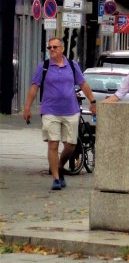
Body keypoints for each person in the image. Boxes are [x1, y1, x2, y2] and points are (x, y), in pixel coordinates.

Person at [22, 38, 97, 190]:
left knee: (71, 145)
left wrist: (93, 102)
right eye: (49, 47)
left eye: (55, 47)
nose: (51, 49)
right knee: (53, 144)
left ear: (62, 49)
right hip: (50, 110)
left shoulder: (72, 65)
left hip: (71, 110)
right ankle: (56, 178)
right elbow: (34, 87)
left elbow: (83, 83)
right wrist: (27, 107)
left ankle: (59, 166)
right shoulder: (44, 66)